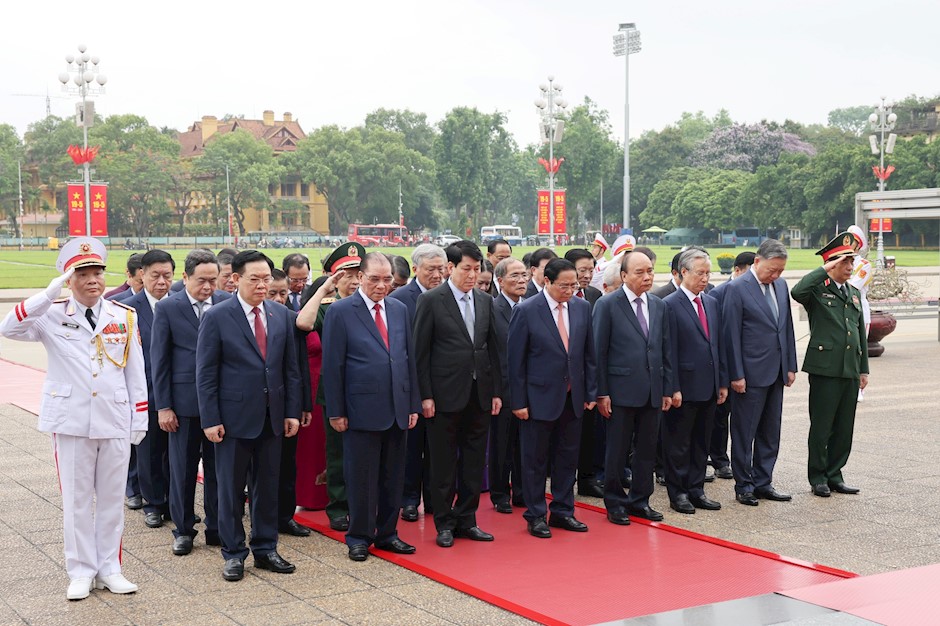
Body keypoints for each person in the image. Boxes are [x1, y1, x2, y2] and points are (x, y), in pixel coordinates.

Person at [0, 238, 147, 600]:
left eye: (97, 272)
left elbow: (135, 371)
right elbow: (8, 329)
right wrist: (45, 296)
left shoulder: (123, 316)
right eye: (83, 273)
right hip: (71, 420)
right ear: (69, 279)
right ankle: (80, 570)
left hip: (113, 417)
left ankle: (110, 568)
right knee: (78, 501)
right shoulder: (51, 315)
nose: (93, 280)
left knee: (112, 499)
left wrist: (139, 417)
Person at [196, 250, 302, 581]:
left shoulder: (280, 314)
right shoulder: (217, 316)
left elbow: (290, 369)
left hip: (272, 417)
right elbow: (206, 373)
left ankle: (266, 548)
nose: (261, 285)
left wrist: (292, 412)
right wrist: (210, 418)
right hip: (233, 418)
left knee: (268, 486)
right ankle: (233, 552)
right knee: (230, 488)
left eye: (266, 279)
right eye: (254, 279)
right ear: (235, 279)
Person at [322, 253, 421, 561]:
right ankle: (359, 536)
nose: (382, 285)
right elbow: (333, 364)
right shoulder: (340, 311)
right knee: (362, 477)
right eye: (375, 279)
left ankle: (388, 533)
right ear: (361, 278)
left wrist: (412, 402)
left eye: (387, 279)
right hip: (360, 409)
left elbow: (408, 359)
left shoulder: (399, 308)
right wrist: (336, 410)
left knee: (394, 476)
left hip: (397, 406)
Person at [414, 240, 502, 547]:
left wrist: (495, 392)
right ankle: (444, 523)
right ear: (450, 268)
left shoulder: (485, 300)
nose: (473, 275)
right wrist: (425, 395)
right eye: (466, 268)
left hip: (479, 393)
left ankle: (468, 518)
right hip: (443, 396)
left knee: (475, 461)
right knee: (442, 462)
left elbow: (492, 349)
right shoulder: (431, 301)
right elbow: (420, 353)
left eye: (477, 269)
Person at [509, 259, 597, 538]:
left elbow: (588, 355)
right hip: (537, 398)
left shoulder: (582, 308)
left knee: (567, 457)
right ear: (546, 281)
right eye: (564, 285)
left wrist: (590, 392)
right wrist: (519, 401)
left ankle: (562, 510)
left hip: (573, 397)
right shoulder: (526, 310)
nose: (571, 290)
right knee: (534, 460)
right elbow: (515, 362)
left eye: (574, 285)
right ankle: (535, 514)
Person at [151, 250, 230, 556]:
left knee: (218, 470)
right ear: (185, 278)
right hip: (182, 405)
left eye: (213, 280)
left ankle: (216, 527)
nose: (208, 287)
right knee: (182, 470)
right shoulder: (169, 307)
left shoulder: (225, 303)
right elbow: (160, 361)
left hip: (220, 404)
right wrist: (164, 406)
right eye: (202, 281)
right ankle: (184, 529)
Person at [593, 251, 674, 524]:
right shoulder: (607, 305)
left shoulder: (659, 305)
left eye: (650, 271)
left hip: (652, 390)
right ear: (624, 276)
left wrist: (667, 388)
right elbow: (598, 352)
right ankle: (615, 502)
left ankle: (640, 500)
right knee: (616, 451)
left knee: (647, 450)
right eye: (639, 272)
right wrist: (602, 392)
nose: (647, 277)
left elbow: (665, 351)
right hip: (619, 392)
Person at [791, 233, 868, 497]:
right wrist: (824, 267)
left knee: (845, 427)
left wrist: (863, 369)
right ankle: (818, 477)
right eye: (845, 262)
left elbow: (859, 333)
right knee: (822, 426)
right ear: (832, 263)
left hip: (849, 368)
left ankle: (835, 474)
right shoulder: (818, 290)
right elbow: (797, 291)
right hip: (825, 369)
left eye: (851, 263)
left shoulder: (854, 293)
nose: (850, 268)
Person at [721, 239, 797, 506]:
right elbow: (730, 335)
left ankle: (764, 481)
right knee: (745, 431)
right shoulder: (737, 289)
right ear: (757, 261)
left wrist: (790, 365)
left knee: (770, 430)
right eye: (771, 270)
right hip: (749, 375)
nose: (775, 275)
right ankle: (744, 484)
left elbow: (785, 327)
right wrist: (736, 374)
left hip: (776, 371)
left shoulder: (781, 285)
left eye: (780, 271)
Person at [301, 242, 367, 531]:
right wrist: (322, 292)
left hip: (368, 390)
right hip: (336, 392)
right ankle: (339, 506)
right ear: (333, 278)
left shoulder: (374, 307)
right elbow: (303, 323)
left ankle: (365, 504)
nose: (353, 281)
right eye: (345, 275)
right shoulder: (327, 309)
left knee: (368, 452)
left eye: (358, 274)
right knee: (338, 454)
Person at [662, 248, 727, 514]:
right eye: (700, 273)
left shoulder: (710, 302)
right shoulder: (669, 304)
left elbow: (717, 345)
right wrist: (673, 387)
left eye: (708, 273)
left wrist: (721, 382)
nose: (705, 278)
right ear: (683, 272)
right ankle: (678, 493)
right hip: (683, 387)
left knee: (702, 441)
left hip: (709, 385)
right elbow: (668, 351)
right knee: (679, 443)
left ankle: (697, 489)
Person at [389, 243, 447, 522]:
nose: (437, 275)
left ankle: (436, 499)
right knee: (412, 447)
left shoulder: (451, 295)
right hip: (412, 384)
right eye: (430, 269)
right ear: (415, 270)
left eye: (441, 269)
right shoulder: (400, 298)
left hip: (445, 385)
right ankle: (409, 499)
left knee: (439, 448)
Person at [126, 250, 176, 529]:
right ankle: (153, 503)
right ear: (141, 274)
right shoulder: (126, 309)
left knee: (177, 455)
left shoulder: (182, 305)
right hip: (143, 393)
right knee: (149, 452)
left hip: (177, 392)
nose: (161, 282)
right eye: (155, 275)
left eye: (166, 276)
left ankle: (175, 503)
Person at [706, 251, 755, 481]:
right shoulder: (718, 293)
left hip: (748, 368)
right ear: (737, 270)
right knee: (719, 416)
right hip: (722, 365)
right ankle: (719, 459)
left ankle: (743, 462)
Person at [489, 257, 527, 512]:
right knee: (502, 445)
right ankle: (500, 493)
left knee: (526, 445)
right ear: (500, 281)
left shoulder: (534, 306)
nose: (521, 280)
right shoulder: (491, 308)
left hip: (530, 389)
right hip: (502, 389)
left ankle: (523, 491)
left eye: (524, 275)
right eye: (514, 276)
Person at [847, 225, 873, 402]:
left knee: (858, 349)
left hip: (859, 310)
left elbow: (852, 286)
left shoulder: (864, 265)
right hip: (843, 309)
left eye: (851, 241)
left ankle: (859, 387)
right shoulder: (838, 261)